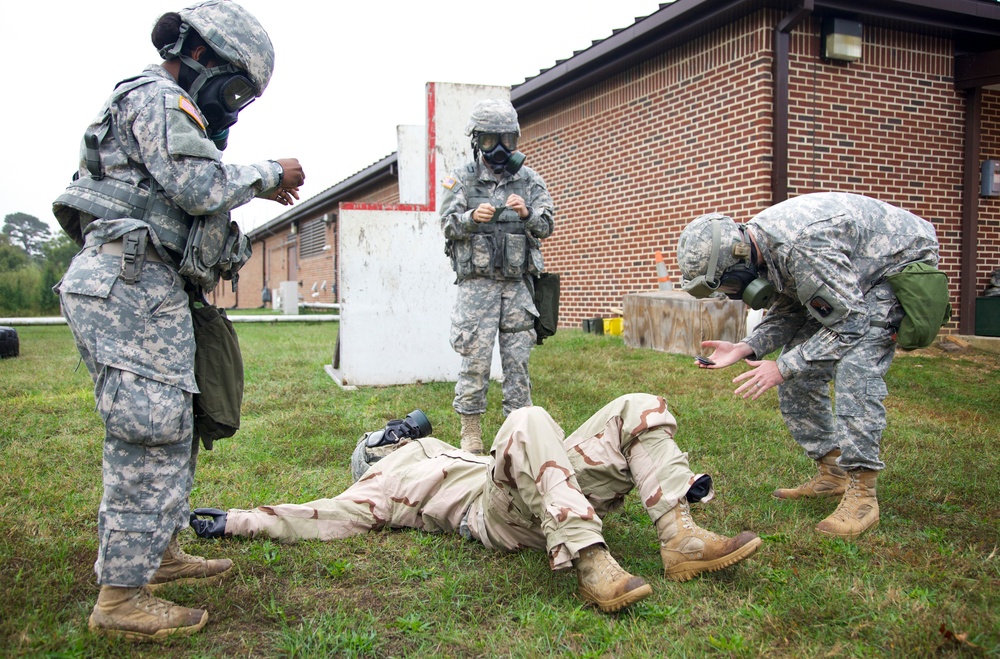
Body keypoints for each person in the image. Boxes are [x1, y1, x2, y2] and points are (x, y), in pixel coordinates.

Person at [52, 0, 305, 642]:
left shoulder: (166, 104)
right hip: (127, 283)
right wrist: (270, 173)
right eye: (239, 88)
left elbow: (190, 211)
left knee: (174, 426)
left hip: (151, 284)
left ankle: (157, 553)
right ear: (204, 59)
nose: (235, 104)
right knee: (148, 431)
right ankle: (119, 599)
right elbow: (197, 188)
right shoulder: (157, 96)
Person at [190, 394, 762, 613]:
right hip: (500, 518)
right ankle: (591, 561)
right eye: (392, 433)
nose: (403, 432)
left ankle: (680, 536)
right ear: (375, 453)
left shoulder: (433, 447)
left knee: (634, 406)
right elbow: (317, 515)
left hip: (545, 485)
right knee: (526, 418)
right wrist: (237, 521)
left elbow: (521, 456)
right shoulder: (381, 483)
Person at [675, 192, 940, 540]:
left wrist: (782, 366)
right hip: (847, 277)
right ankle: (832, 472)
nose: (730, 293)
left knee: (855, 370)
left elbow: (851, 324)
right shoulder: (763, 250)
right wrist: (747, 346)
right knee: (799, 376)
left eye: (726, 284)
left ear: (739, 260)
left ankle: (863, 495)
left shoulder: (801, 249)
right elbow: (790, 310)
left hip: (893, 265)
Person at [440, 99, 555, 454]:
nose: (501, 149)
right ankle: (470, 433)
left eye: (507, 139)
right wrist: (471, 217)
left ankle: (516, 436)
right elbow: (446, 225)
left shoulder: (529, 179)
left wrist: (529, 214)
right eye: (491, 141)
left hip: (517, 287)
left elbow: (547, 224)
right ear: (477, 140)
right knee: (474, 360)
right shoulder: (460, 178)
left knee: (517, 362)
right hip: (478, 287)